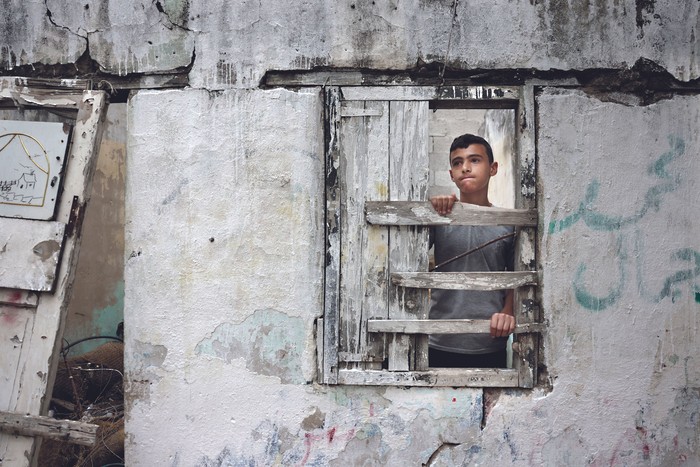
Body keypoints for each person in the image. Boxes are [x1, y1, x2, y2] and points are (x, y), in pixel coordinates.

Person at [429, 133, 515, 368]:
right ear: (451, 175)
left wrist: (507, 312)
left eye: (475, 160)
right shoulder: (440, 219)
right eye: (458, 163)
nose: (465, 168)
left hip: (489, 341)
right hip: (438, 340)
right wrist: (432, 210)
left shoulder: (508, 223)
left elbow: (516, 279)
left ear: (493, 168)